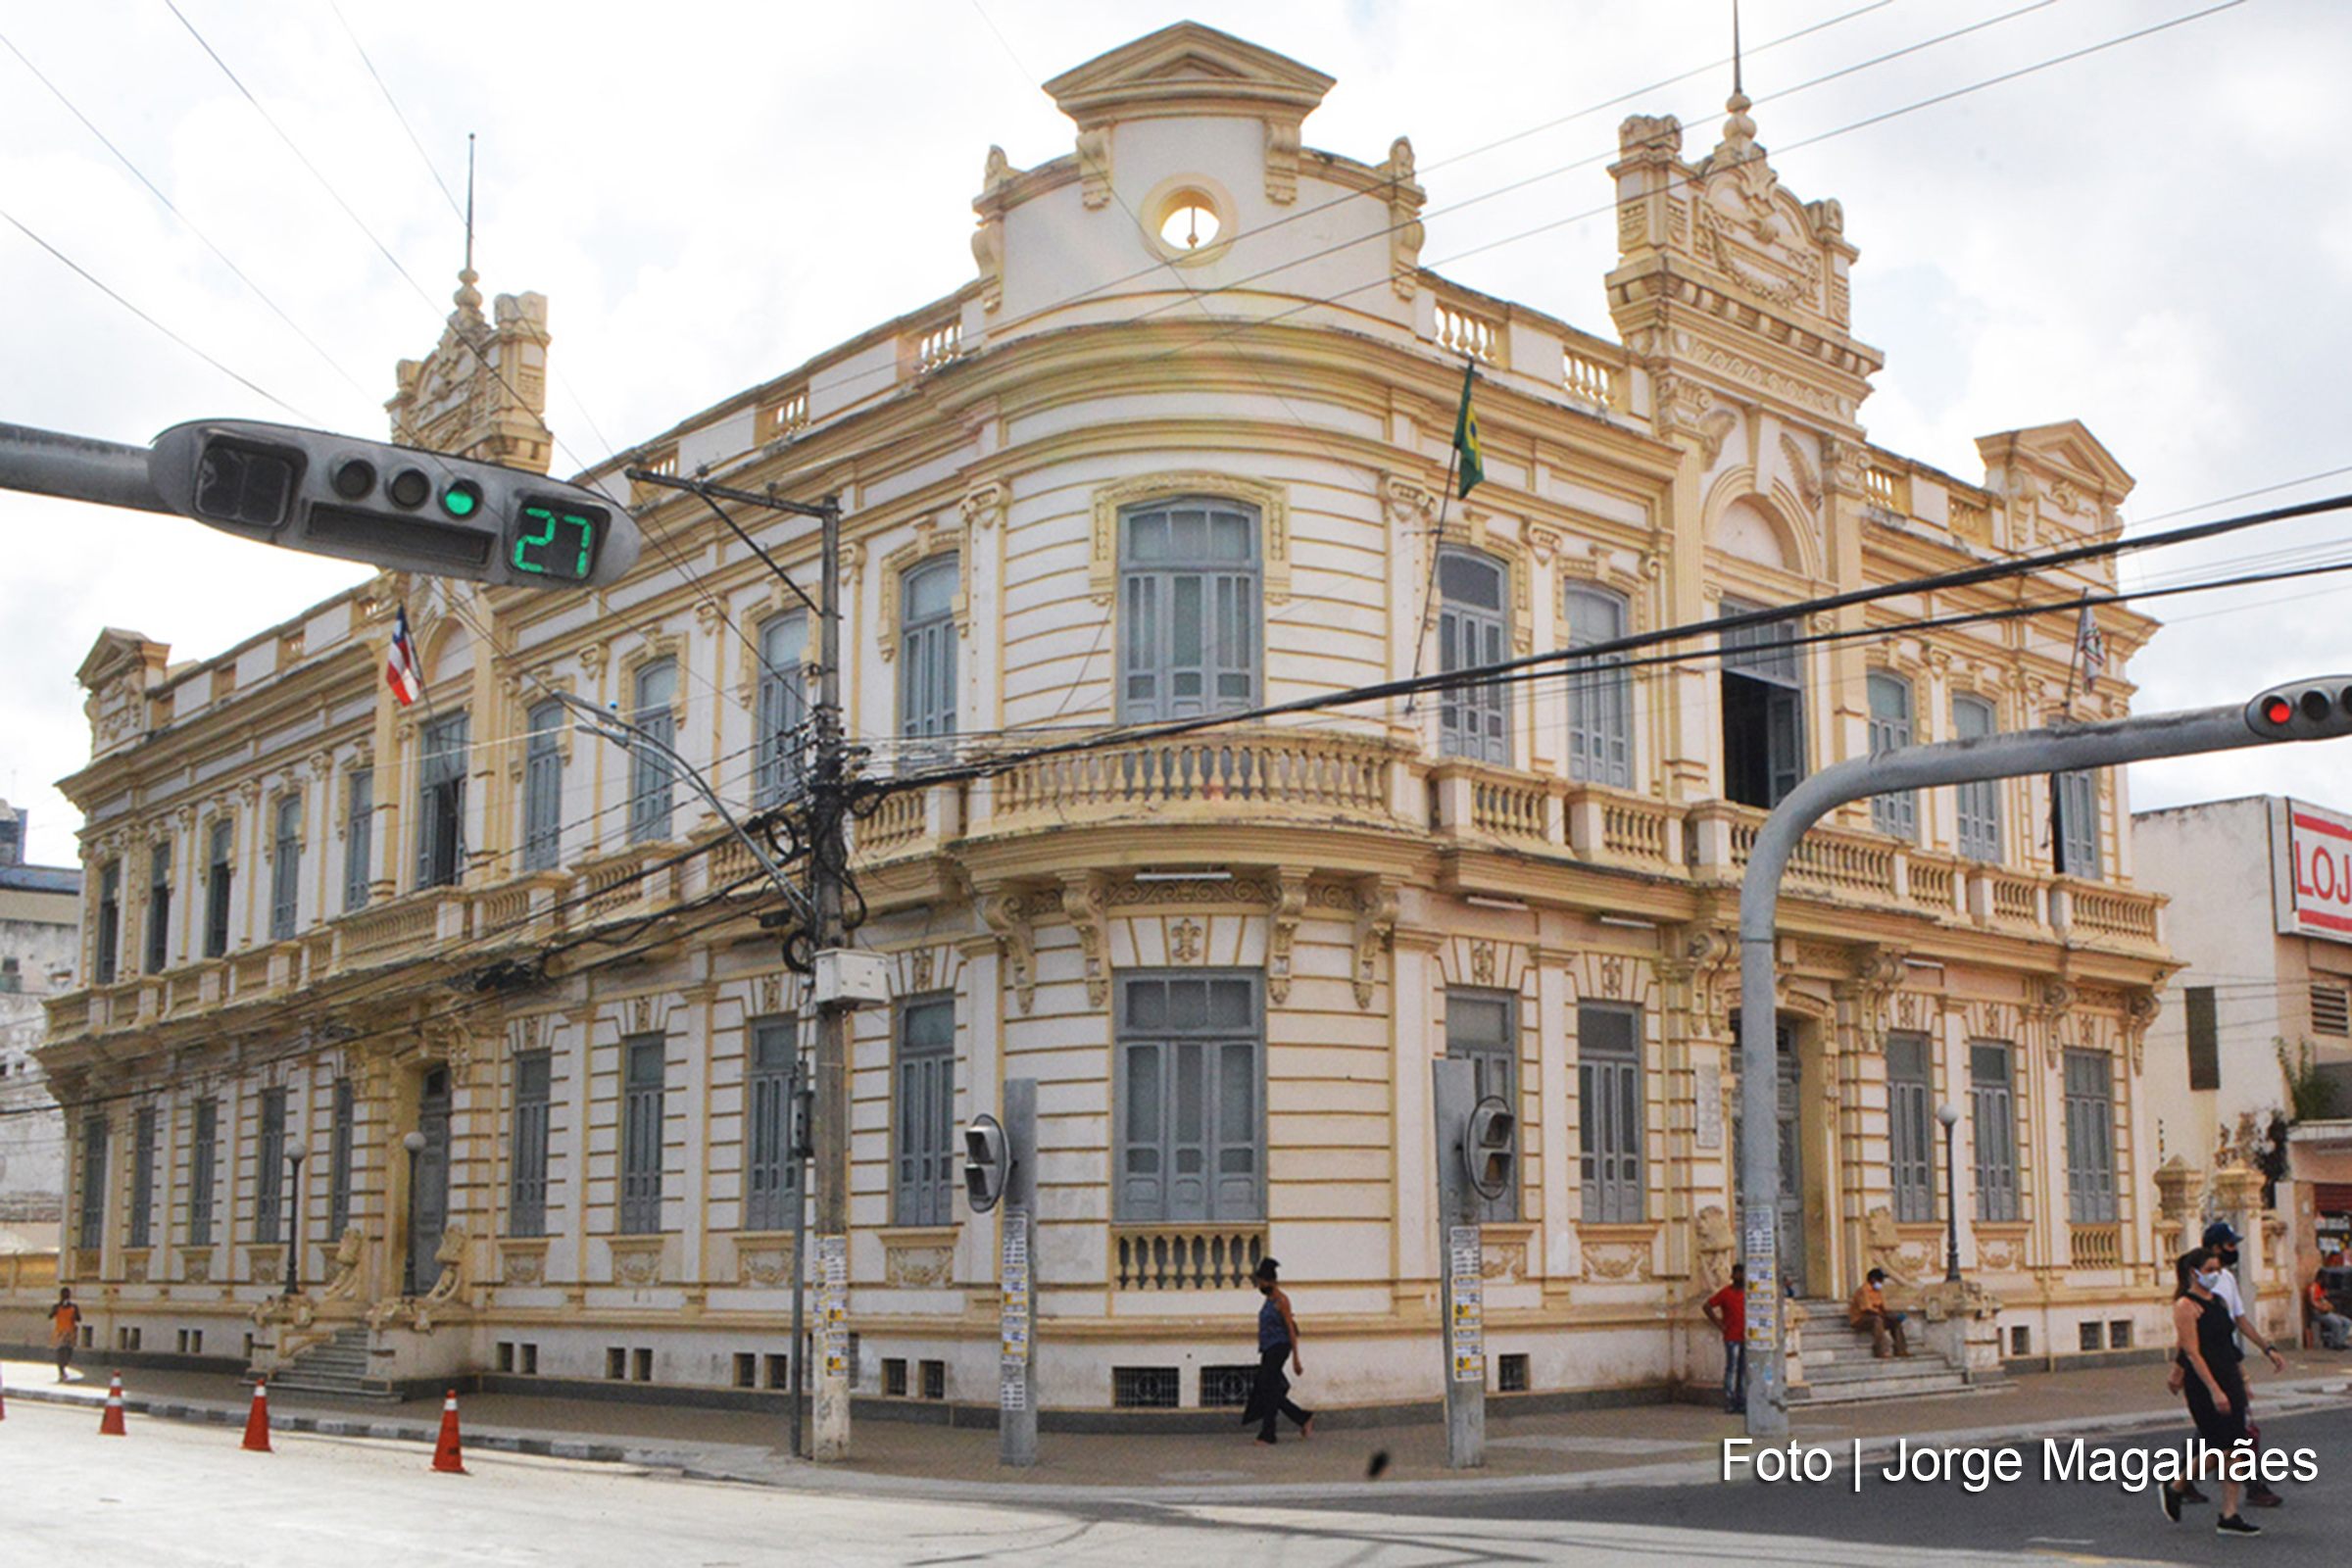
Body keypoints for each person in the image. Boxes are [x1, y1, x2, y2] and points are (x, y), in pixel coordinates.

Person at [2170, 1221, 2288, 1506]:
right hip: (2207, 1372)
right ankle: (2185, 1483)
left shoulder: (2227, 1281)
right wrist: (2180, 1370)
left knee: (2226, 1437)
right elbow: (2189, 1342)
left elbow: (2238, 1323)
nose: (2234, 1250)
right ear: (2214, 1247)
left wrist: (2266, 1348)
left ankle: (2193, 1488)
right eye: (2229, 1245)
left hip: (2226, 1365)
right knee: (2229, 1439)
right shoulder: (2192, 1295)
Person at [2158, 1248, 2262, 1536]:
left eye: (2217, 1269)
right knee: (2220, 1447)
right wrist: (2214, 1390)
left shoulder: (2216, 1301)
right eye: (2210, 1269)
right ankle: (2177, 1485)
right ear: (2194, 1273)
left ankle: (2229, 1515)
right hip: (2204, 1385)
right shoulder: (2185, 1306)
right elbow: (2190, 1351)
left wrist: (2243, 1380)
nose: (2216, 1274)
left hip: (2229, 1378)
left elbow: (2229, 1346)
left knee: (2237, 1449)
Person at [1242, 1256, 1313, 1445]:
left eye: (1262, 1282)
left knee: (1268, 1387)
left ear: (1271, 1281)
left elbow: (1290, 1328)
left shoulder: (1282, 1300)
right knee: (1269, 1389)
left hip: (1279, 1347)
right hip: (1267, 1348)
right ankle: (1302, 1418)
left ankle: (1268, 1433)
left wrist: (1296, 1359)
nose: (1260, 1285)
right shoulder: (1267, 1300)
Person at [1703, 1263, 1747, 1412]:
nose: (1741, 1276)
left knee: (1742, 1370)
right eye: (1738, 1273)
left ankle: (1741, 1399)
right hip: (1732, 1336)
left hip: (1746, 1336)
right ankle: (1730, 1399)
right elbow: (1707, 1306)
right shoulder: (1726, 1293)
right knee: (1732, 1368)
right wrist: (1719, 1324)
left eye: (1743, 1274)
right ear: (1732, 1276)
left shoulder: (1749, 1294)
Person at [1847, 1266, 1910, 1358]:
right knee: (1877, 1320)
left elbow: (1882, 1308)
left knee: (1895, 1321)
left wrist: (1891, 1316)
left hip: (1877, 1316)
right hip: (1860, 1319)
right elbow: (1867, 1309)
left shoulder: (1877, 1291)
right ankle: (1881, 1350)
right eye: (1880, 1280)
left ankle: (1901, 1349)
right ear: (1873, 1280)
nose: (1882, 1283)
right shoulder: (1863, 1291)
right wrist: (1883, 1316)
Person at [2306, 1271, 2349, 1350]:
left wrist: (2329, 1306)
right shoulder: (2313, 1287)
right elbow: (2312, 1302)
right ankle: (2336, 1343)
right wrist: (2321, 1308)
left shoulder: (2323, 1289)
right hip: (2318, 1313)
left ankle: (2341, 1341)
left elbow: (2326, 1299)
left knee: (2347, 1322)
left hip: (2327, 1312)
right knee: (2336, 1322)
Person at [50, 1286, 82, 1383]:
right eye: (63, 1295)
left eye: (67, 1295)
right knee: (60, 1352)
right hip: (60, 1332)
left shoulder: (74, 1307)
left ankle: (65, 1365)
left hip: (70, 1332)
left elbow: (79, 1319)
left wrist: (75, 1316)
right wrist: (56, 1309)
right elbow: (50, 1316)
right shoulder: (56, 1306)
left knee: (68, 1351)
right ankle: (61, 1371)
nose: (65, 1297)